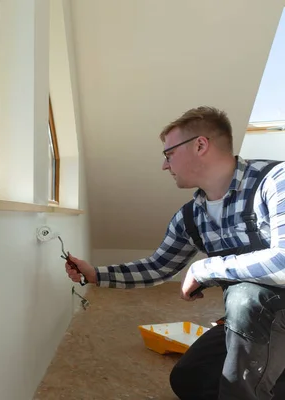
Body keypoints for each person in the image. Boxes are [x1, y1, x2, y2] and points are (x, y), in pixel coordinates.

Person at [65, 106, 285, 400]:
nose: (165, 166)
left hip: (264, 313)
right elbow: (158, 266)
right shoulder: (191, 216)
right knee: (190, 379)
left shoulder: (274, 181)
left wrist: (203, 269)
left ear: (200, 145)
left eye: (168, 155)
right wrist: (95, 274)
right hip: (254, 323)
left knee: (245, 301)